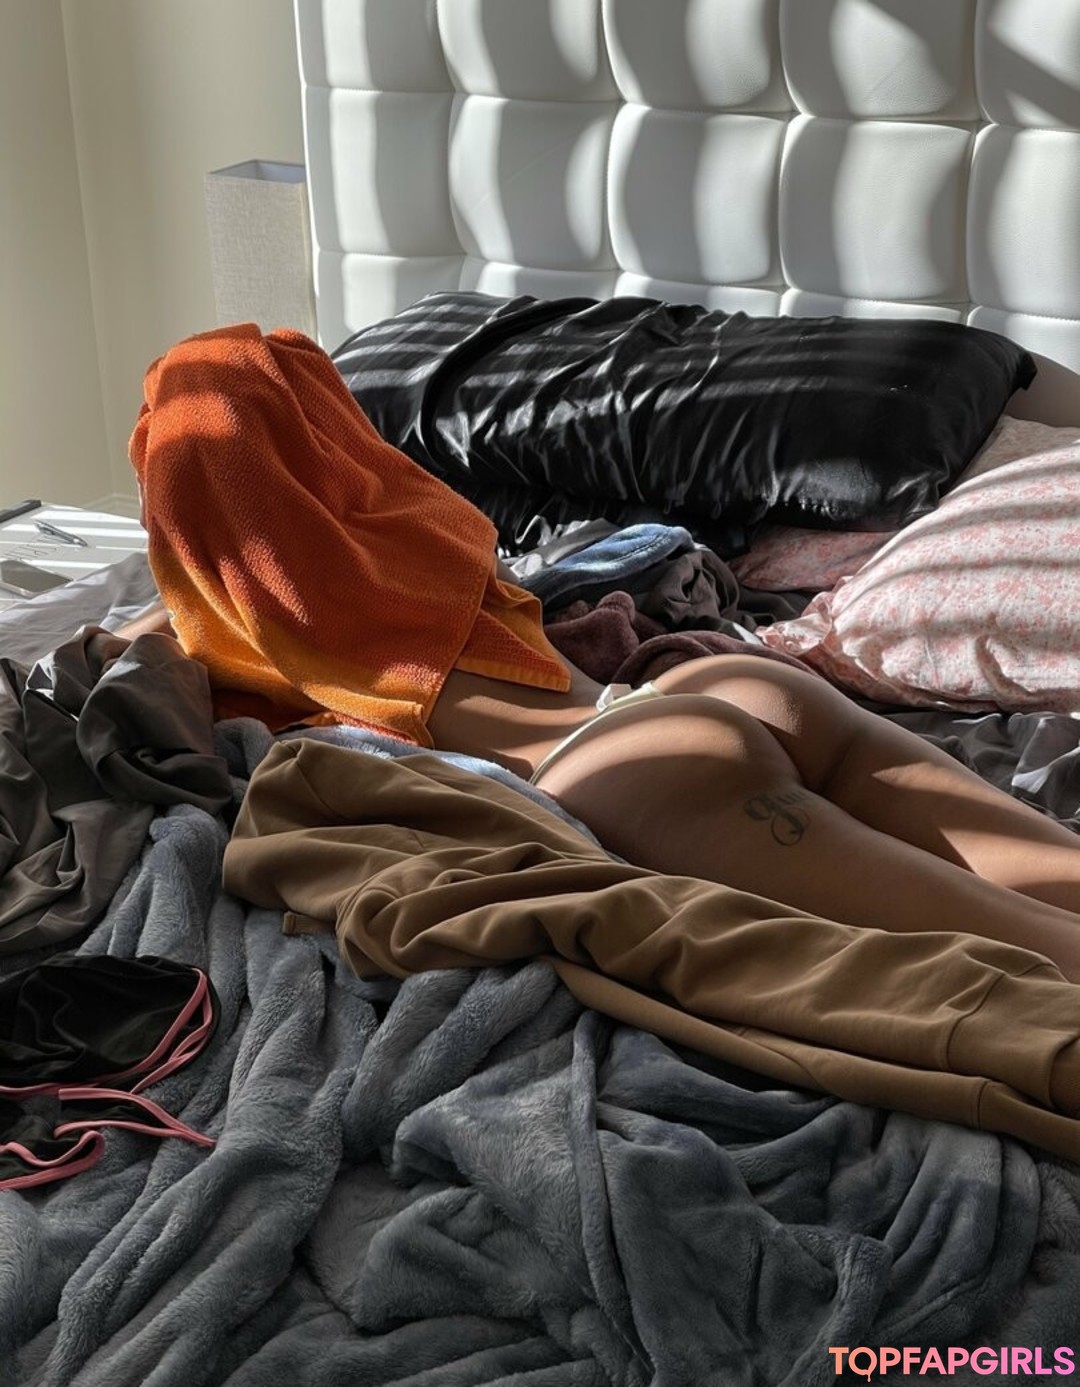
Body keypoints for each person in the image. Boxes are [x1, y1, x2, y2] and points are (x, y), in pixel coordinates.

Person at [121, 322, 1080, 987]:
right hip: (725, 681)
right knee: (1056, 879)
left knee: (1027, 952)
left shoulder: (244, 620)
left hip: (625, 765)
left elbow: (127, 667)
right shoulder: (428, 532)